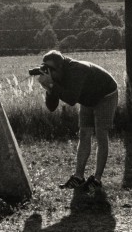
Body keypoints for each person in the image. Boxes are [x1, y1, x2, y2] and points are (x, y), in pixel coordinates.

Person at [35, 50, 118, 191]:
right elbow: (52, 107)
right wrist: (49, 88)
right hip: (87, 97)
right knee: (84, 134)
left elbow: (72, 99)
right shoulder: (57, 75)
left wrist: (51, 86)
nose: (48, 72)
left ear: (60, 66)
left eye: (50, 70)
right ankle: (78, 177)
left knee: (100, 134)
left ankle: (97, 179)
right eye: (45, 68)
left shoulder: (77, 70)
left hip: (105, 95)